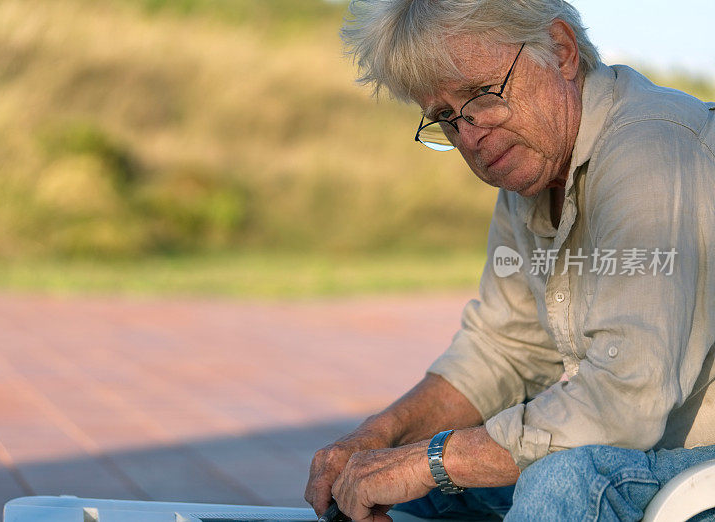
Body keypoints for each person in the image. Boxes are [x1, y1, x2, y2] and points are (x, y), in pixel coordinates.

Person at [304, 1, 715, 521]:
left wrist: (432, 459)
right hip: (643, 454)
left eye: (481, 95)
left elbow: (623, 399)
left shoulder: (653, 150)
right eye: (446, 119)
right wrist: (376, 440)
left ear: (561, 51)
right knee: (388, 482)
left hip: (701, 472)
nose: (471, 138)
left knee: (558, 481)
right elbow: (502, 351)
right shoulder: (530, 173)